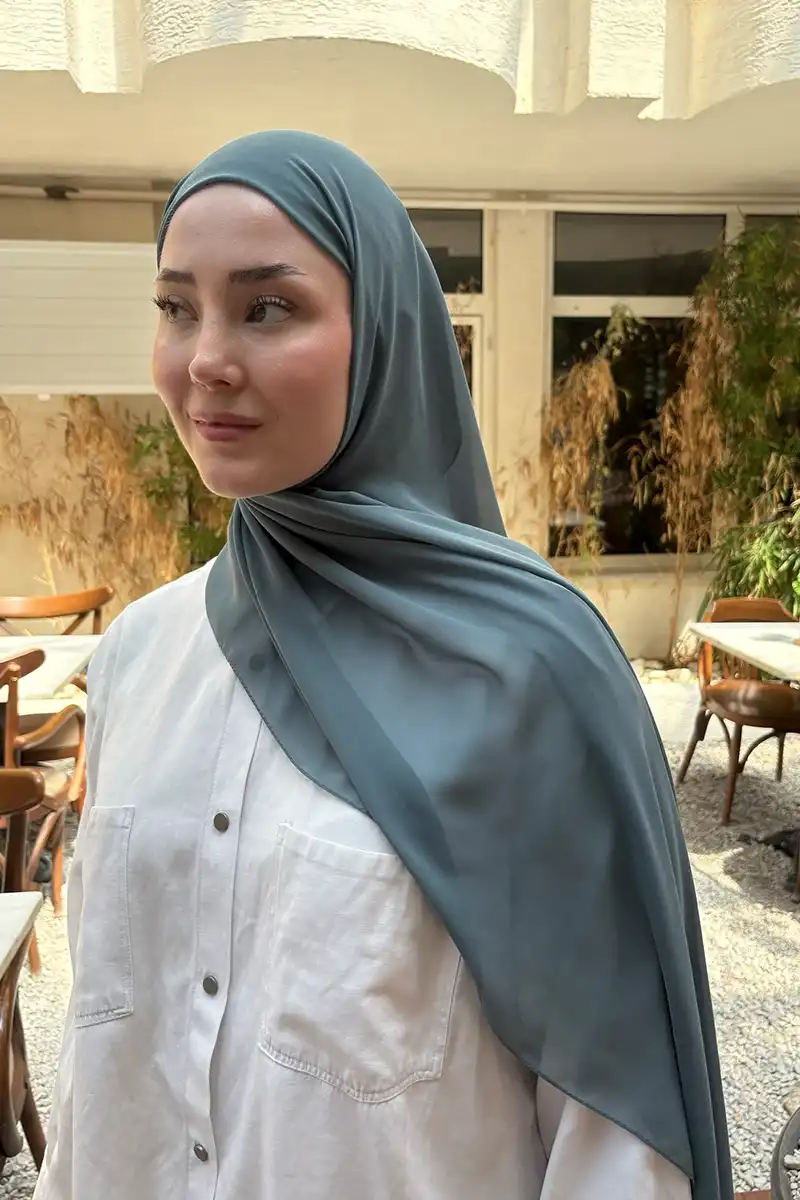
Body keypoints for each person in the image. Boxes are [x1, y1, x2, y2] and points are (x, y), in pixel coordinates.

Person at [34, 131, 732, 1200]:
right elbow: (104, 1047)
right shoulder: (141, 653)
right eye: (176, 307)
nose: (205, 357)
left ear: (386, 335)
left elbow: (615, 1131)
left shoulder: (534, 680)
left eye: (267, 307)